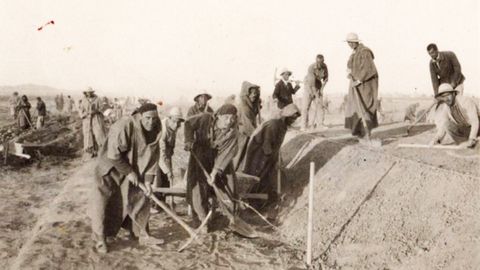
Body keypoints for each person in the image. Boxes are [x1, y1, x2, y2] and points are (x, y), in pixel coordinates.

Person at [89, 103, 164, 254]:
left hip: (132, 165)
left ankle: (141, 234)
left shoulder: (156, 129)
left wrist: (148, 181)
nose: (151, 122)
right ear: (140, 116)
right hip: (110, 165)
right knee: (104, 201)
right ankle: (100, 239)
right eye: (147, 118)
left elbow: (153, 157)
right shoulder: (125, 125)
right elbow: (114, 155)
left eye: (154, 119)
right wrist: (129, 172)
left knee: (140, 195)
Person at [184, 104, 239, 227]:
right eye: (226, 118)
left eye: (232, 118)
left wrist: (215, 172)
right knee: (198, 186)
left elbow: (226, 154)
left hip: (219, 158)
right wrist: (188, 140)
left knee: (228, 184)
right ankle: (201, 218)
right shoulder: (205, 118)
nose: (229, 121)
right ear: (218, 116)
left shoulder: (232, 132)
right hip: (200, 154)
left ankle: (231, 217)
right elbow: (188, 123)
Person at [242, 103, 301, 202]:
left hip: (266, 153)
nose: (293, 121)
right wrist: (272, 160)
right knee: (257, 175)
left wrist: (276, 158)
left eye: (294, 119)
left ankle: (259, 199)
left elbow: (276, 145)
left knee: (265, 175)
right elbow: (267, 145)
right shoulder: (274, 125)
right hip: (259, 153)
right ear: (286, 116)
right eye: (291, 118)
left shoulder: (282, 126)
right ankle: (249, 200)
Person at [344, 33, 379, 142]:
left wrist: (359, 80)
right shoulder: (354, 53)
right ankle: (360, 134)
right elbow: (349, 66)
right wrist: (349, 72)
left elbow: (369, 69)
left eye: (350, 42)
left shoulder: (365, 52)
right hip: (356, 85)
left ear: (356, 42)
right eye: (348, 43)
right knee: (355, 108)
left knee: (365, 107)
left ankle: (367, 134)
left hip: (365, 85)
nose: (349, 44)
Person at [430, 83, 479, 148]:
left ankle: (473, 141)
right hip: (466, 129)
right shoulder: (446, 107)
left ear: (453, 94)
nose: (446, 99)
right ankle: (466, 144)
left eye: (448, 95)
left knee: (474, 141)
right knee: (447, 125)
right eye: (443, 97)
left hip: (478, 127)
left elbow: (475, 121)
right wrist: (437, 139)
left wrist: (472, 138)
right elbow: (443, 126)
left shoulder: (465, 101)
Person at [154, 107, 185, 204]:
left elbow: (170, 147)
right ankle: (154, 204)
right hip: (155, 155)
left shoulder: (173, 127)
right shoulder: (162, 130)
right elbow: (160, 154)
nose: (176, 125)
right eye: (175, 121)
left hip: (166, 155)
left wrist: (169, 167)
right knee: (157, 179)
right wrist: (167, 171)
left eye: (178, 122)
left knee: (167, 181)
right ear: (169, 118)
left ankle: (162, 202)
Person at [233, 81, 261, 171]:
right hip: (243, 135)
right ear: (246, 94)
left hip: (248, 134)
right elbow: (248, 124)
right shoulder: (244, 107)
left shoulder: (251, 105)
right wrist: (259, 134)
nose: (253, 95)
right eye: (251, 93)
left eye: (255, 93)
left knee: (246, 158)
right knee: (239, 156)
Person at [302, 55, 329, 131]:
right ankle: (304, 126)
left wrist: (321, 89)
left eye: (321, 62)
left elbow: (326, 79)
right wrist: (316, 95)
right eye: (318, 62)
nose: (319, 64)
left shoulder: (325, 67)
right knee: (305, 107)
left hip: (318, 86)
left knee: (320, 106)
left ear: (323, 61)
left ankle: (320, 125)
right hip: (308, 87)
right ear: (316, 61)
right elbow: (312, 84)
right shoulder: (311, 67)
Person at [79, 87, 107, 157]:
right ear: (86, 93)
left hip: (96, 118)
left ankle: (101, 151)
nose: (89, 94)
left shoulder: (97, 99)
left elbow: (102, 107)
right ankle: (90, 152)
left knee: (99, 134)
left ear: (92, 92)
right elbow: (80, 109)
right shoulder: (83, 100)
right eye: (88, 92)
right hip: (87, 120)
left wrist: (96, 111)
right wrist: (85, 114)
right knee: (88, 135)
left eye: (91, 92)